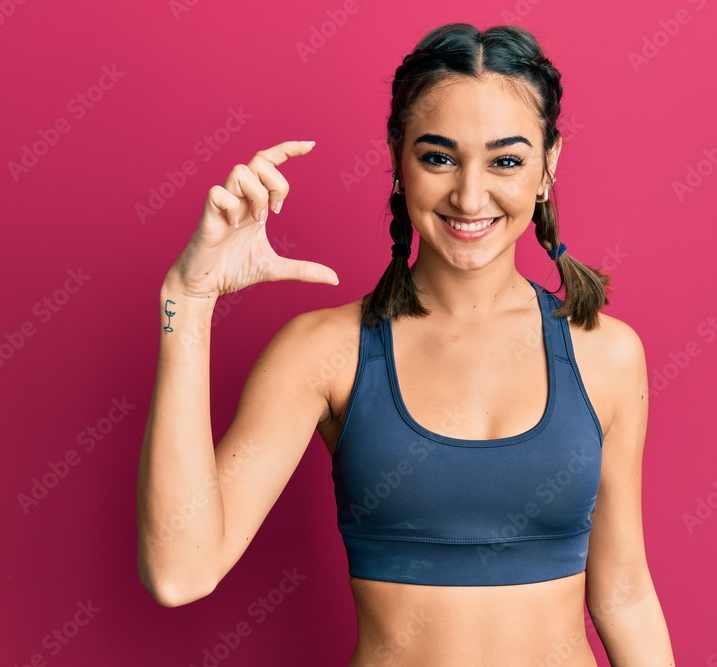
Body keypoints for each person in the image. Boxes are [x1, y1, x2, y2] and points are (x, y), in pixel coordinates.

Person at [137, 22, 675, 666]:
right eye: (438, 157)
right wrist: (188, 303)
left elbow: (623, 595)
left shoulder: (606, 354)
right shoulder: (324, 351)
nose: (470, 195)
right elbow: (179, 572)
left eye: (506, 160)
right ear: (397, 156)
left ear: (547, 164)